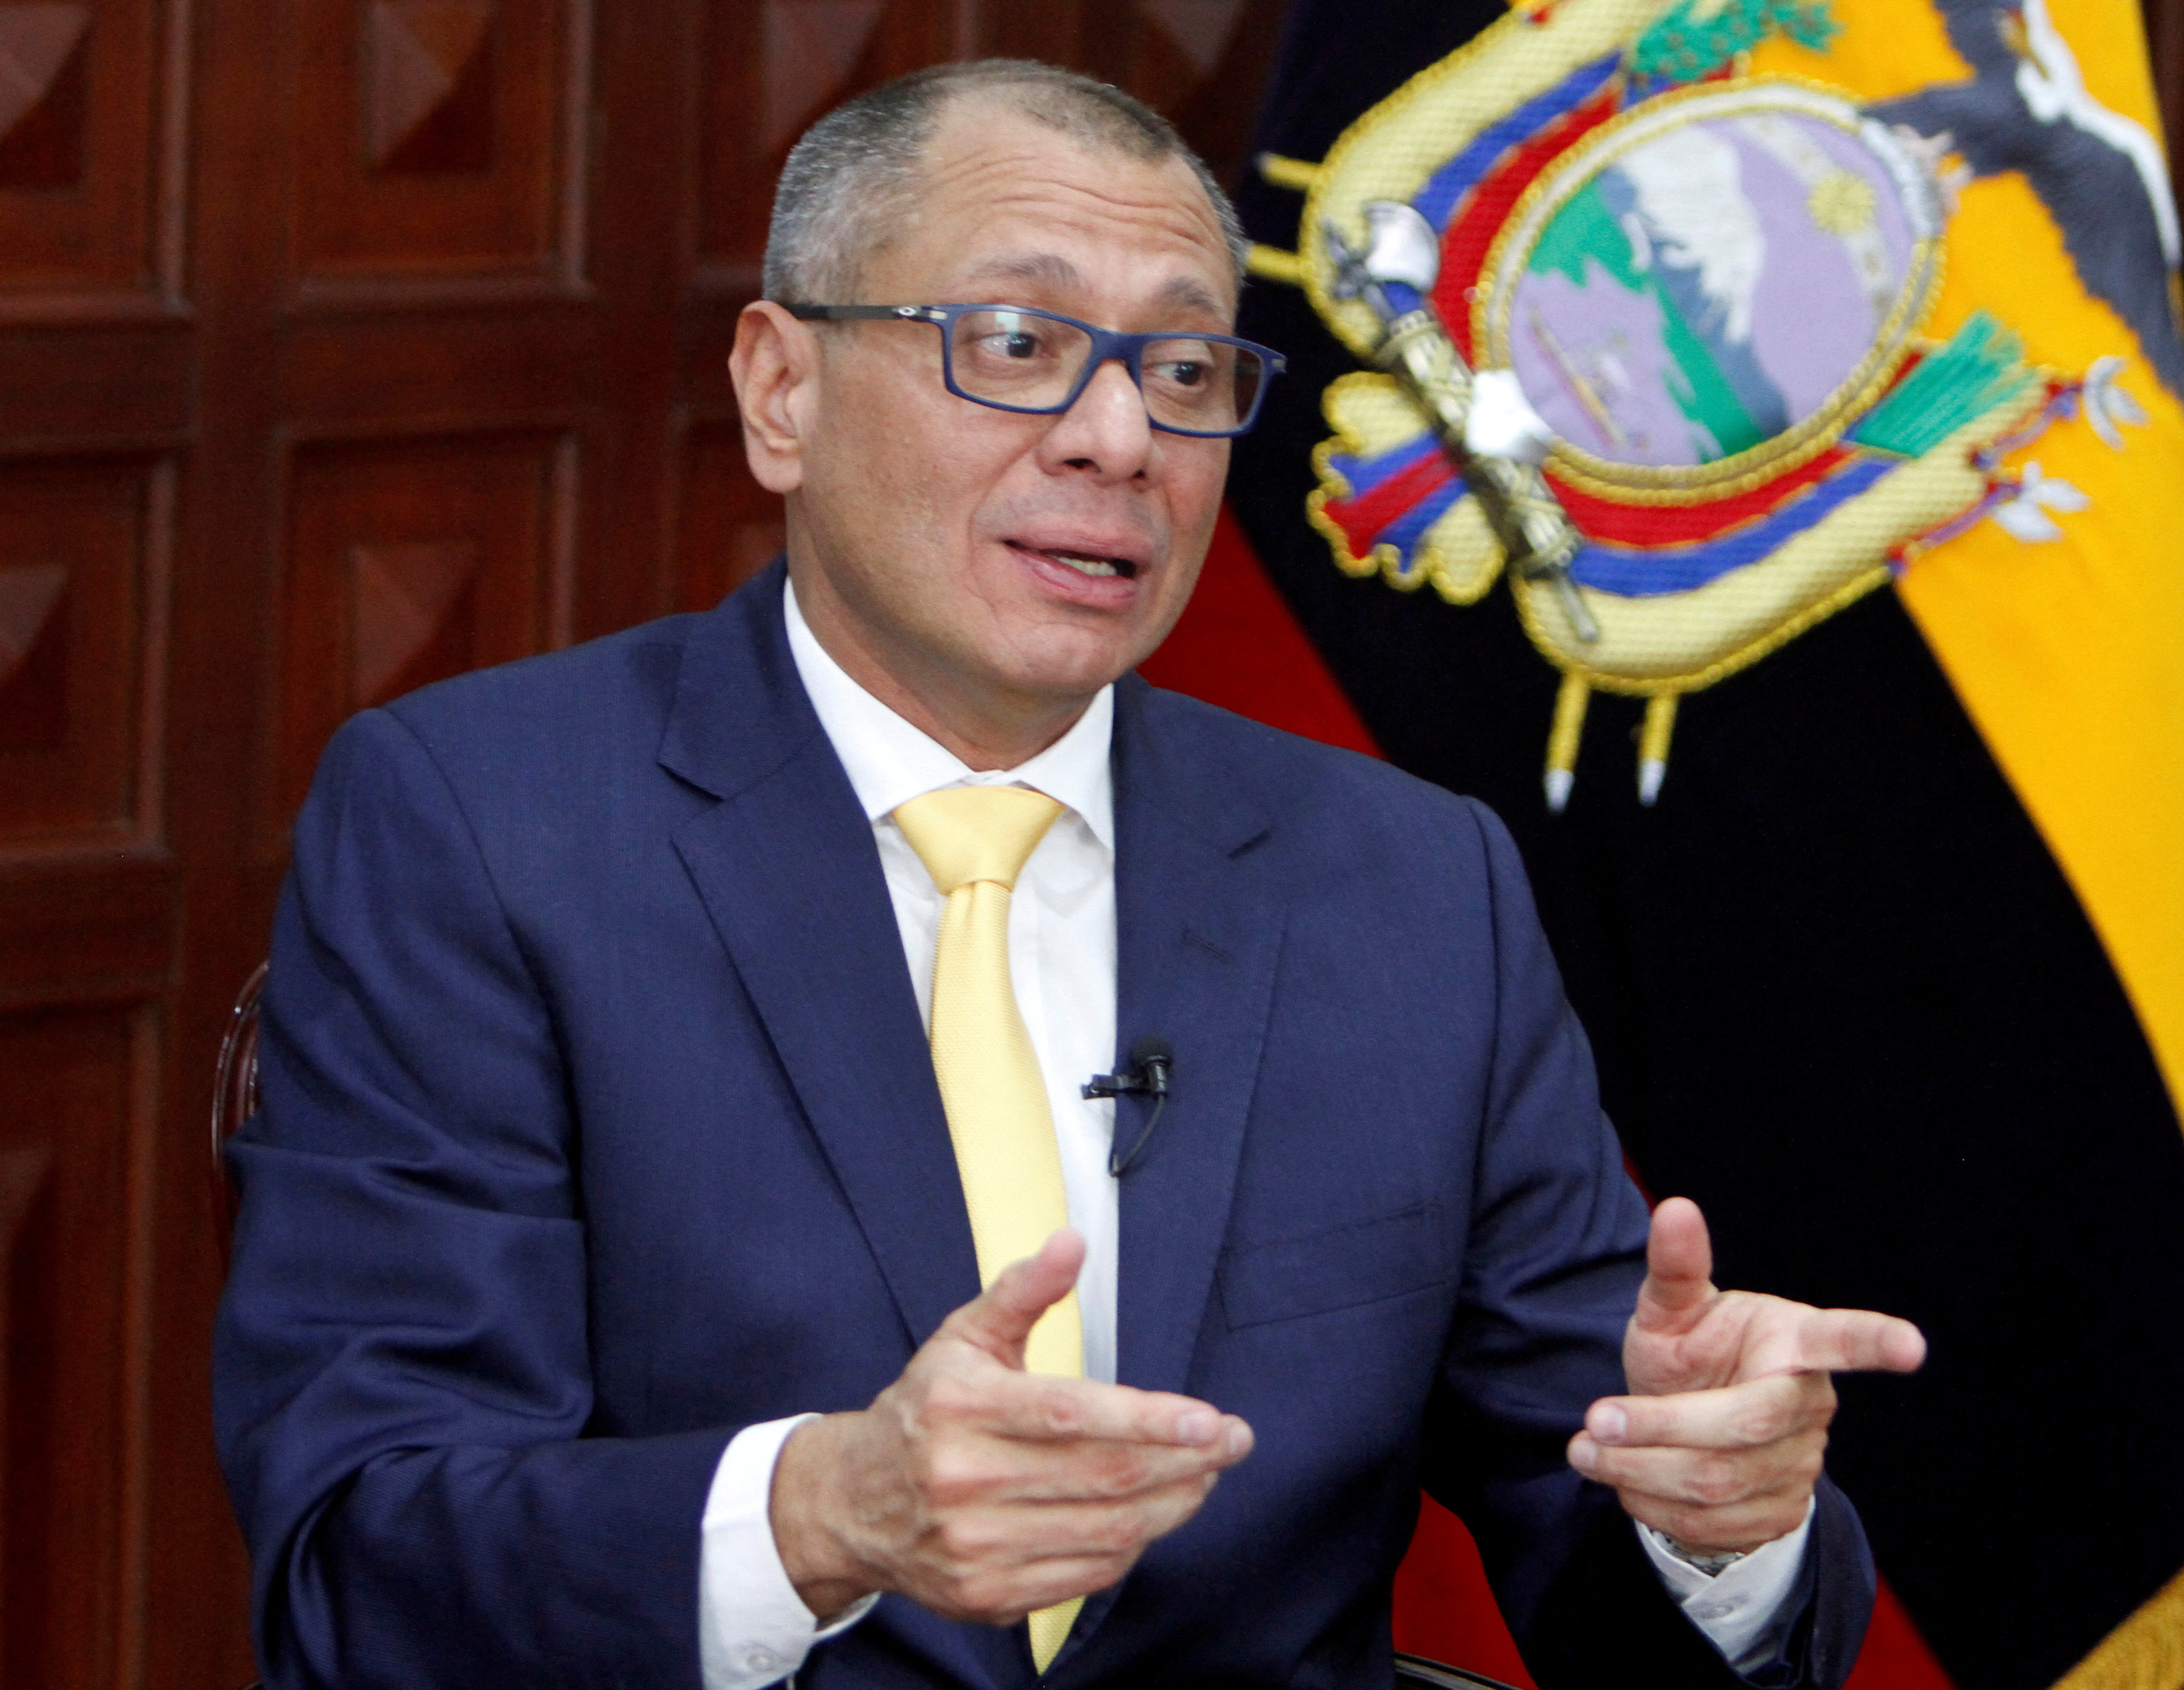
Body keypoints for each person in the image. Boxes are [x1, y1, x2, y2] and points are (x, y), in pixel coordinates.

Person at [212, 61, 1925, 1690]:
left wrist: (1723, 1523)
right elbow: (367, 1567)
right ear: (780, 390)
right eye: (1015, 343)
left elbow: (1608, 1575)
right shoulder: (482, 825)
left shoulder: (1409, 885)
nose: (1118, 438)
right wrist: (820, 1519)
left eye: (1184, 374)